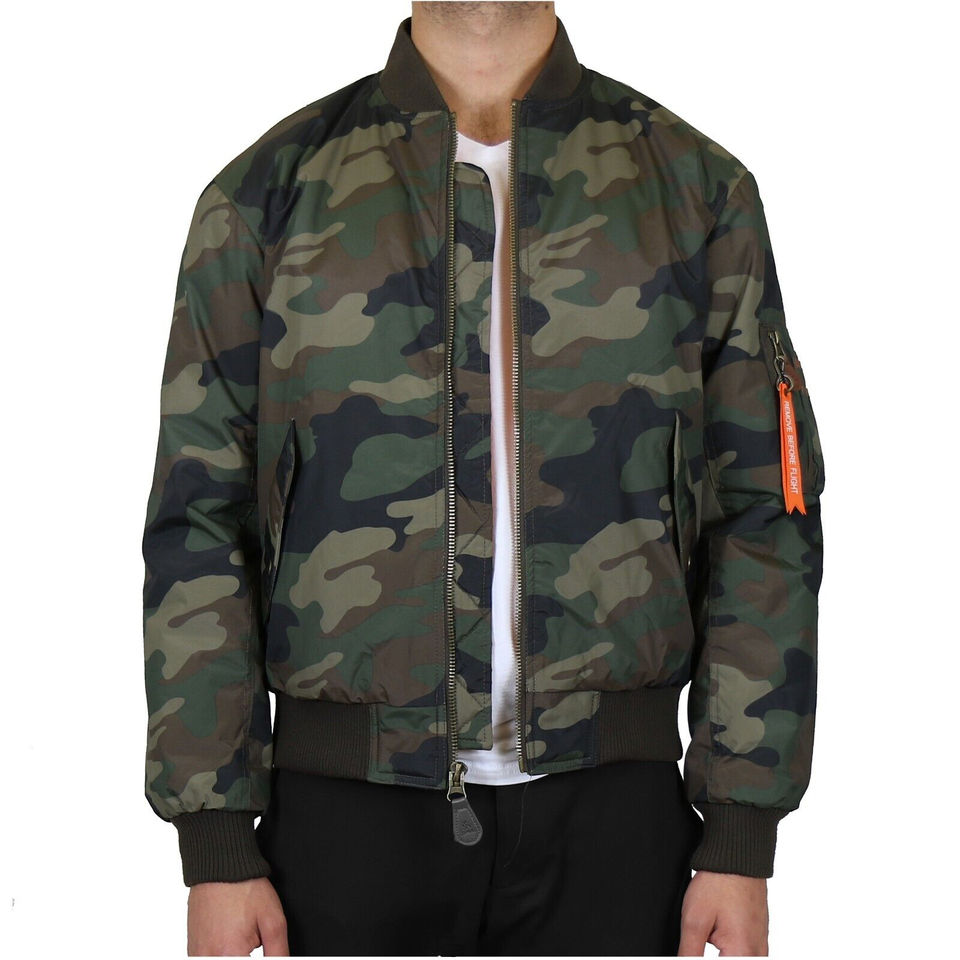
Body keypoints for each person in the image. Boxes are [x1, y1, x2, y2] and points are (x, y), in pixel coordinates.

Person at [141, 2, 826, 955]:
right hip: (343, 822)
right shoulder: (264, 196)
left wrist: (742, 830)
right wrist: (216, 839)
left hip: (618, 816)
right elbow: (200, 521)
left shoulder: (698, 191)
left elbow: (765, 511)